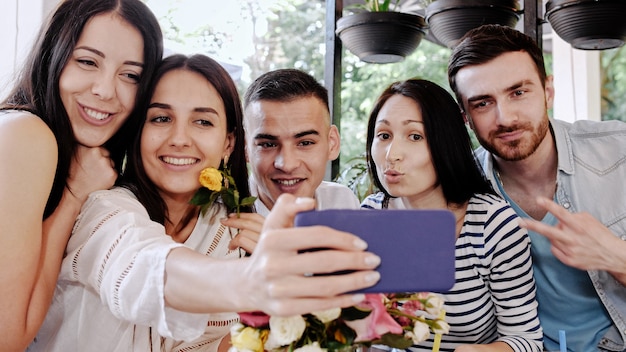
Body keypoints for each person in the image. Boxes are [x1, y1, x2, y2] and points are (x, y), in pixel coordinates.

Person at [28, 54, 382, 352]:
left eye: (202, 121)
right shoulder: (104, 210)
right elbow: (142, 265)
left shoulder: (225, 225)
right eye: (161, 118)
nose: (180, 139)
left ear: (228, 144)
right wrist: (250, 280)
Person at [447, 24, 626, 351]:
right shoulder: (459, 188)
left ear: (548, 91)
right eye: (483, 103)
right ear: (466, 118)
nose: (506, 118)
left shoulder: (620, 152)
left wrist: (617, 258)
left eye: (519, 92)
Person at [0, 0, 163, 350]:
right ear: (52, 58)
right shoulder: (26, 135)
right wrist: (73, 197)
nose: (105, 90)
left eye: (130, 75)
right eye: (87, 62)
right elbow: (7, 337)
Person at [361, 78, 542, 351]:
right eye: (384, 136)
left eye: (415, 136)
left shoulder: (492, 226)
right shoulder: (369, 217)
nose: (392, 155)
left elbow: (526, 340)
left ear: (445, 143)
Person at [223, 68, 360, 250]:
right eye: (268, 144)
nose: (286, 165)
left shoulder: (342, 202)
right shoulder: (220, 220)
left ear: (332, 143)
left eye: (305, 143)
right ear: (245, 148)